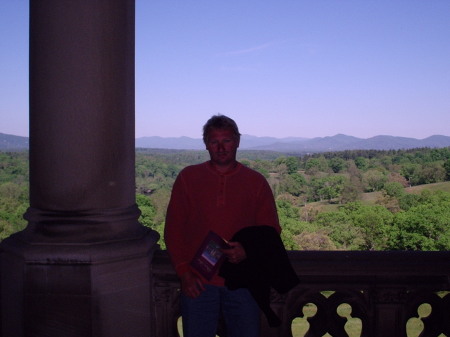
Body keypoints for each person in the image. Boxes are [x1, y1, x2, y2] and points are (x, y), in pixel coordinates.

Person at [164, 114, 282, 337]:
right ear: (205, 144)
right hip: (198, 281)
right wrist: (183, 273)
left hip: (244, 282)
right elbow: (173, 229)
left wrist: (248, 250)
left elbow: (271, 230)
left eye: (226, 140)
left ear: (237, 141)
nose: (220, 147)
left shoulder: (255, 181)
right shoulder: (188, 178)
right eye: (213, 141)